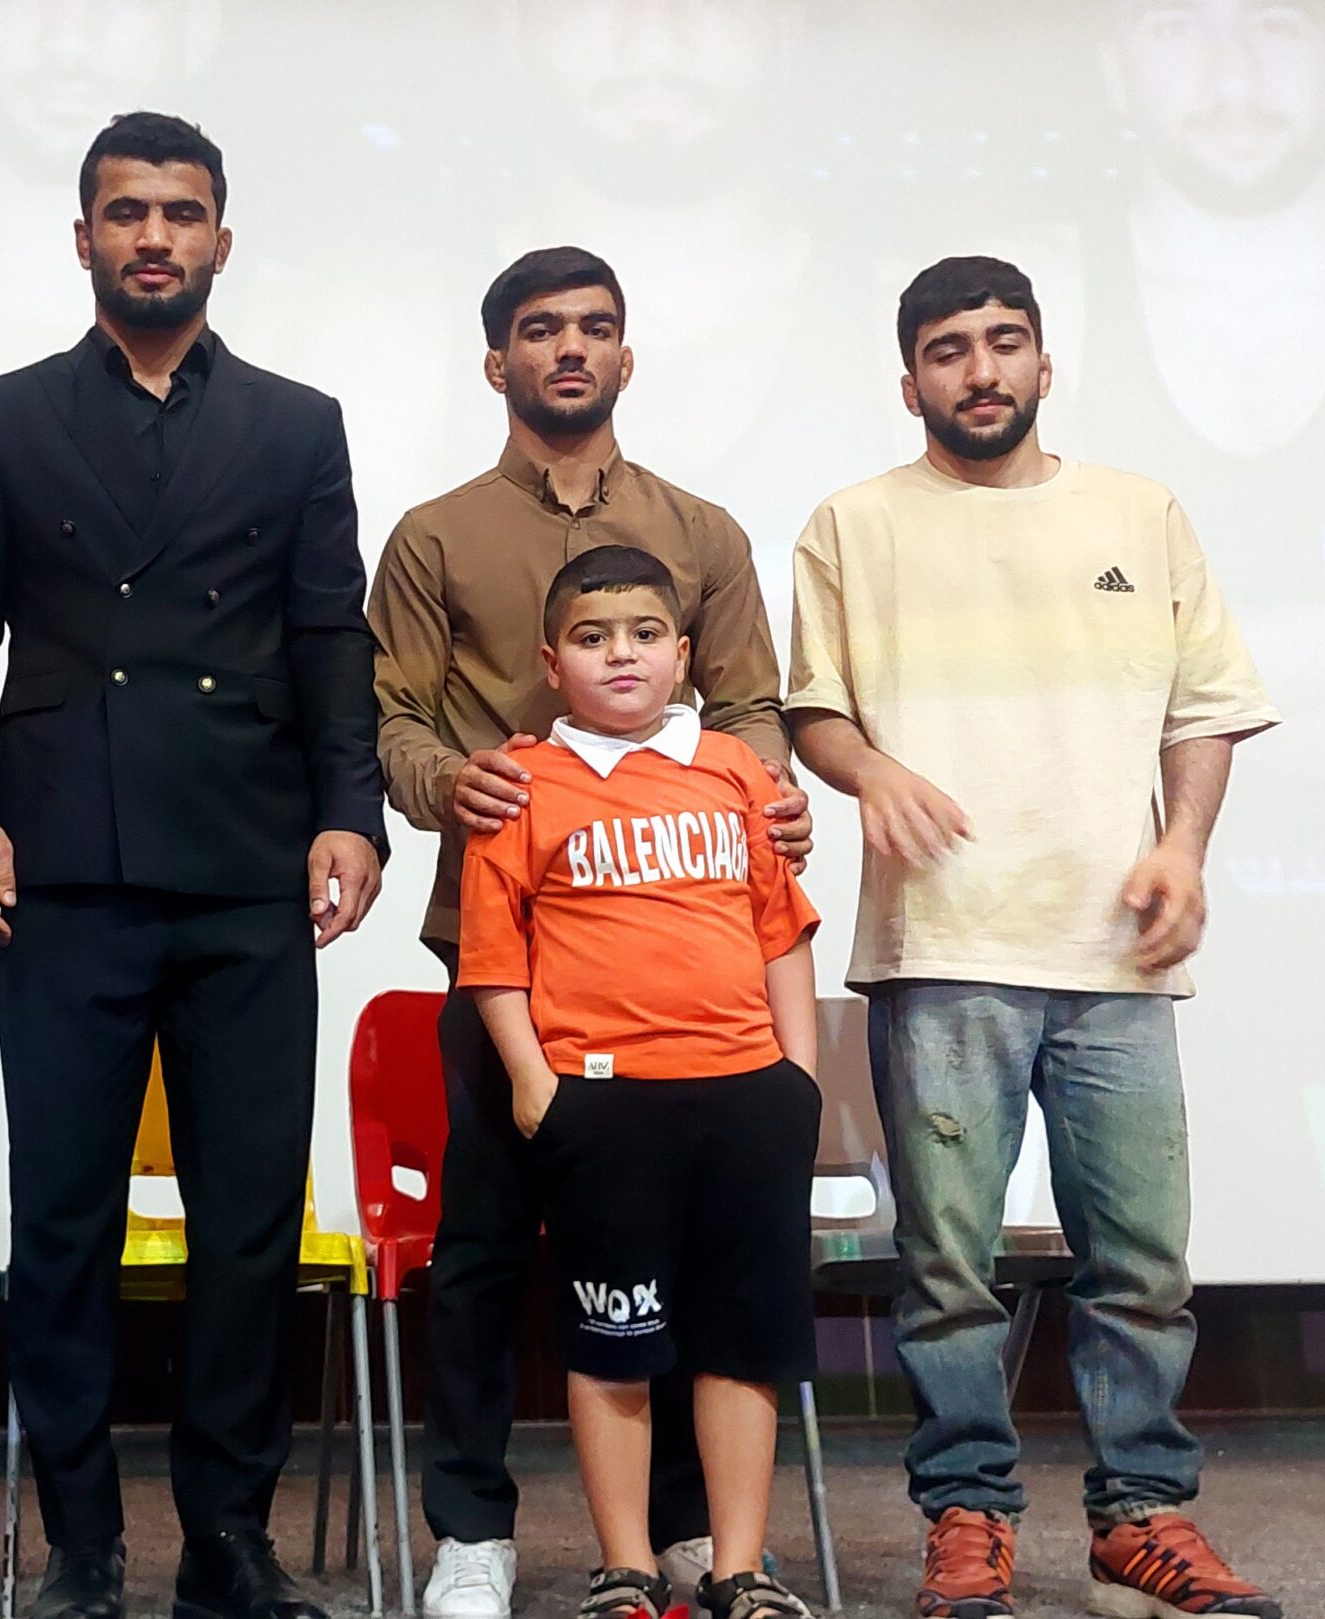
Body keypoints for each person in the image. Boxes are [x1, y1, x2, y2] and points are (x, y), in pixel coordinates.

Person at [0, 111, 386, 1619]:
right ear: (83, 238)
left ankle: (228, 1537)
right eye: (127, 212)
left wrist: (351, 809)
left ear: (220, 240)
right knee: (62, 1216)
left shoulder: (297, 422)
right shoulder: (2, 414)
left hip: (247, 857)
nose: (154, 237)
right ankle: (81, 1543)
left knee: (248, 1220)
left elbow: (328, 632)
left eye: (181, 213)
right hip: (62, 859)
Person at [786, 256, 1282, 1619]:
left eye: (1005, 341)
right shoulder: (852, 524)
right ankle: (968, 1515)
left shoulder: (1140, 509)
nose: (981, 368)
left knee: (1143, 1261)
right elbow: (812, 706)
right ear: (909, 383)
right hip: (942, 942)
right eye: (949, 349)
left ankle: (1141, 1518)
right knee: (949, 1266)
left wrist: (1182, 846)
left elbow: (1203, 706)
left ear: (1046, 363)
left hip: (1116, 949)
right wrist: (869, 769)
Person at [365, 246, 812, 1619]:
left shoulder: (703, 530)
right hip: (502, 943)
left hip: (684, 951)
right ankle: (472, 1532)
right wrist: (453, 784)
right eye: (541, 328)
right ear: (495, 359)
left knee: (677, 1249)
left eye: (595, 327)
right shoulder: (435, 535)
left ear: (626, 355)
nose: (570, 347)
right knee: (485, 1245)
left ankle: (682, 1533)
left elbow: (748, 703)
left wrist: (763, 797)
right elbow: (393, 717)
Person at [458, 545, 822, 1619]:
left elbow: (781, 930)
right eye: (592, 637)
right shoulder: (521, 782)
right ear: (551, 662)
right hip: (601, 1105)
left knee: (740, 1341)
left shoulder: (735, 769)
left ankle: (739, 1566)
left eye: (645, 634)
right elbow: (494, 957)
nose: (621, 654)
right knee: (612, 1337)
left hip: (745, 1096)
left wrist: (798, 1078)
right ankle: (625, 1565)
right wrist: (536, 1086)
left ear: (683, 652)